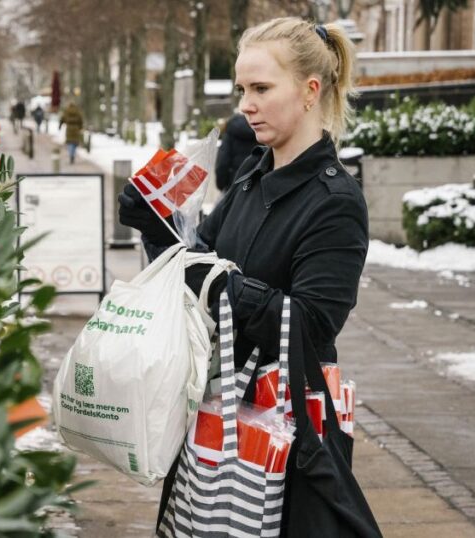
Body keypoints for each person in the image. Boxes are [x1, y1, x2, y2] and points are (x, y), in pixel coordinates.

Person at [119, 17, 370, 534]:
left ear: (310, 91)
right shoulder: (253, 175)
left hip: (283, 438)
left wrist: (212, 279)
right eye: (241, 90)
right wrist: (157, 225)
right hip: (217, 419)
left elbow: (309, 326)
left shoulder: (336, 202)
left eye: (261, 88)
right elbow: (196, 273)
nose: (245, 105)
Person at [215, 112, 258, 190]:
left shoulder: (230, 130)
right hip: (257, 183)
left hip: (234, 184)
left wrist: (221, 184)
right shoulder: (259, 128)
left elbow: (223, 162)